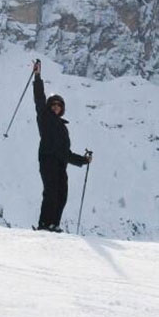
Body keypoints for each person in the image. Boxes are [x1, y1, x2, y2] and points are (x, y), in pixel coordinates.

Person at [31, 58, 91, 232]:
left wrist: (83, 160)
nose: (56, 107)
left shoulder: (63, 128)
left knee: (61, 195)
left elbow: (66, 153)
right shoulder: (44, 118)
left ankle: (54, 224)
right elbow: (39, 99)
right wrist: (37, 76)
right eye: (54, 104)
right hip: (48, 160)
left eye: (59, 105)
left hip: (60, 163)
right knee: (50, 192)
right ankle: (44, 224)